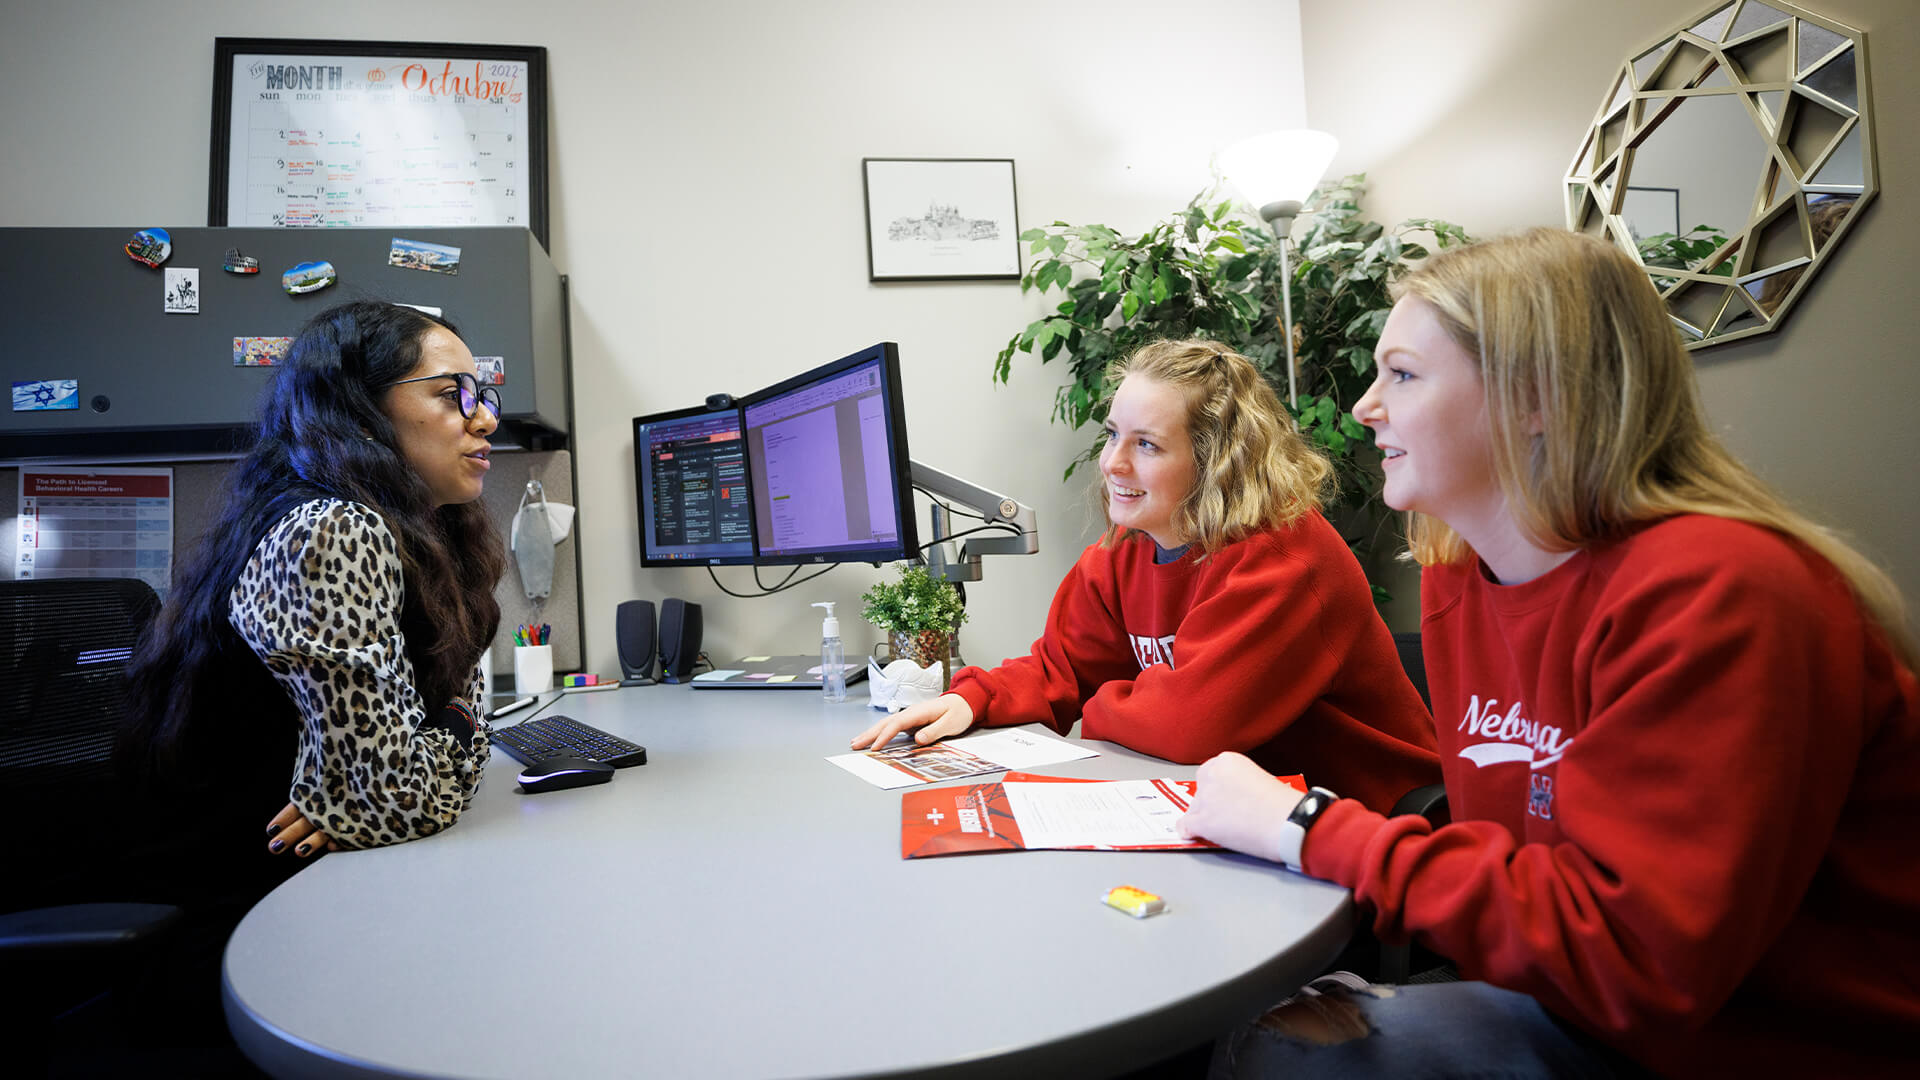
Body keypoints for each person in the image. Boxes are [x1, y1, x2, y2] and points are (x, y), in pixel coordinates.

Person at [1176, 228, 1920, 1078]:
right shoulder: (1458, 576)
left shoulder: (1727, 592)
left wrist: (1306, 828)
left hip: (1761, 1046)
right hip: (1576, 1009)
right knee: (1251, 1037)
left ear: (1536, 396)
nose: (1363, 408)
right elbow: (1529, 870)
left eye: (1404, 374)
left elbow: (1640, 965)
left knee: (1272, 1062)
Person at [115, 300, 507, 1042]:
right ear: (359, 411)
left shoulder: (423, 531)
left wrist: (435, 735)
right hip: (250, 919)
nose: (483, 418)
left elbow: (400, 774)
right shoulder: (330, 529)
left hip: (333, 890)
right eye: (452, 392)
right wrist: (450, 729)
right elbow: (400, 799)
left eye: (483, 394)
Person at [852, 339, 1439, 811]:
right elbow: (1063, 668)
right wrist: (973, 701)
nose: (1113, 463)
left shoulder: (1284, 559)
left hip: (1370, 829)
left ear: (1216, 463)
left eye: (1147, 445)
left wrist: (1097, 703)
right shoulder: (1120, 556)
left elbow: (1189, 725)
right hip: (1245, 810)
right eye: (1112, 435)